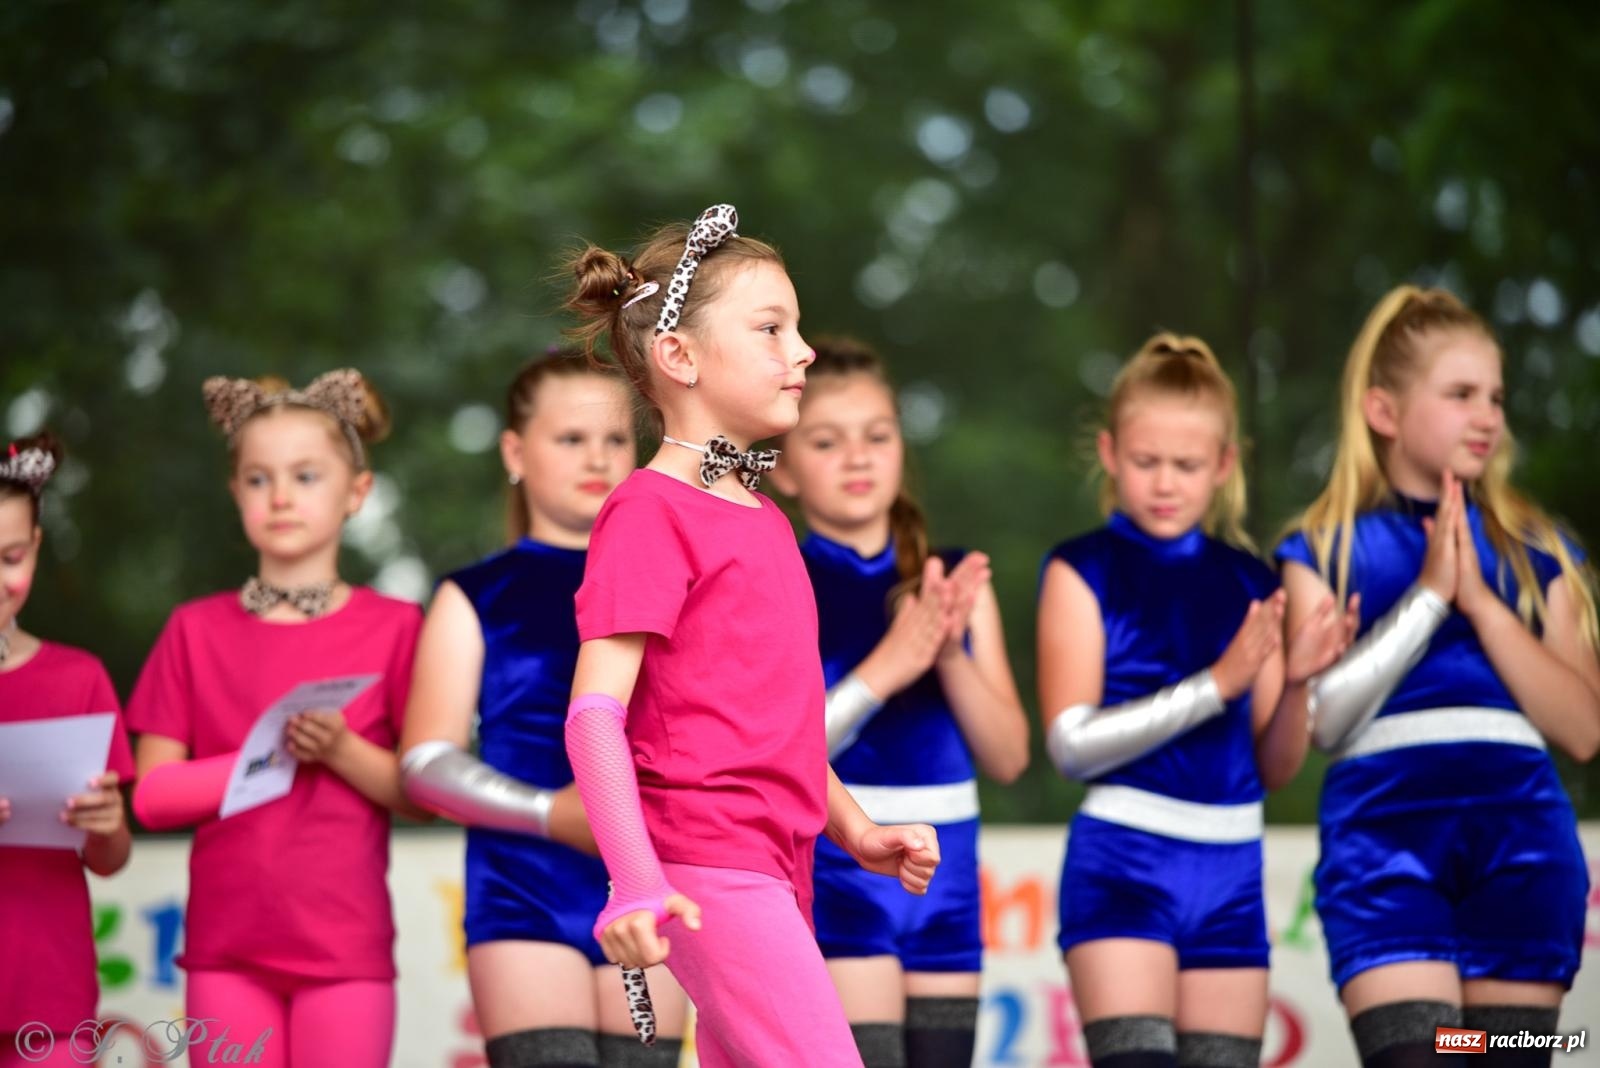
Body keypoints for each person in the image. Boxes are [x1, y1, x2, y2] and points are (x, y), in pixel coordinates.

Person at [561, 204, 941, 1067]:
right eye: (772, 328)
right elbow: (592, 717)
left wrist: (856, 829)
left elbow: (779, 722)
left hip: (780, 864)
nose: (803, 351)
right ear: (679, 356)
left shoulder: (767, 520)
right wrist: (636, 881)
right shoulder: (648, 513)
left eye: (797, 329)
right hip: (705, 867)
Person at [1277, 286, 1599, 1068]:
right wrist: (1427, 597)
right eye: (1460, 395)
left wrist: (1481, 602)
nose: (1487, 416)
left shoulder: (1540, 548)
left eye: (1495, 396)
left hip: (1521, 846)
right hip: (1384, 845)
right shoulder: (1321, 550)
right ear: (1384, 412)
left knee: (1497, 1055)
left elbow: (1585, 732)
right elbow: (1322, 724)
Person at [1038, 334, 1354, 1068]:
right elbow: (1068, 745)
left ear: (1224, 464)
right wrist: (1218, 685)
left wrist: (1300, 679)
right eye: (1147, 463)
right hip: (1122, 865)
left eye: (1186, 465)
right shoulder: (1081, 568)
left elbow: (1273, 769)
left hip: (1233, 871)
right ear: (1111, 454)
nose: (1165, 483)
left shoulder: (1252, 581)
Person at [127, 370, 424, 1068]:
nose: (281, 496)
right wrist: (269, 756)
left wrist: (343, 750)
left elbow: (422, 794)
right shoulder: (193, 631)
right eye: (258, 479)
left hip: (347, 952)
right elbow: (151, 794)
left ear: (357, 493)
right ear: (235, 494)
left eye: (306, 476)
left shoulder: (398, 627)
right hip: (222, 954)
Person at [400, 352, 687, 1068]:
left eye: (617, 439)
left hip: (656, 876)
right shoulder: (474, 595)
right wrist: (547, 813)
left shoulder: (678, 584)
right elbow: (424, 763)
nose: (598, 456)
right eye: (570, 439)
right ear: (514, 451)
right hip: (522, 885)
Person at [768, 336, 1028, 1068]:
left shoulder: (950, 585)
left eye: (877, 436)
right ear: (785, 467)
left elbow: (1008, 757)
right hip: (839, 861)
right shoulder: (781, 576)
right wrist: (886, 668)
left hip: (945, 871)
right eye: (826, 440)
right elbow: (770, 748)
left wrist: (946, 652)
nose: (858, 457)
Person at [0, 432, 135, 1068]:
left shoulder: (78, 678)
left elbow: (108, 857)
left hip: (49, 1000)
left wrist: (106, 827)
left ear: (36, 550)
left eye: (10, 557)